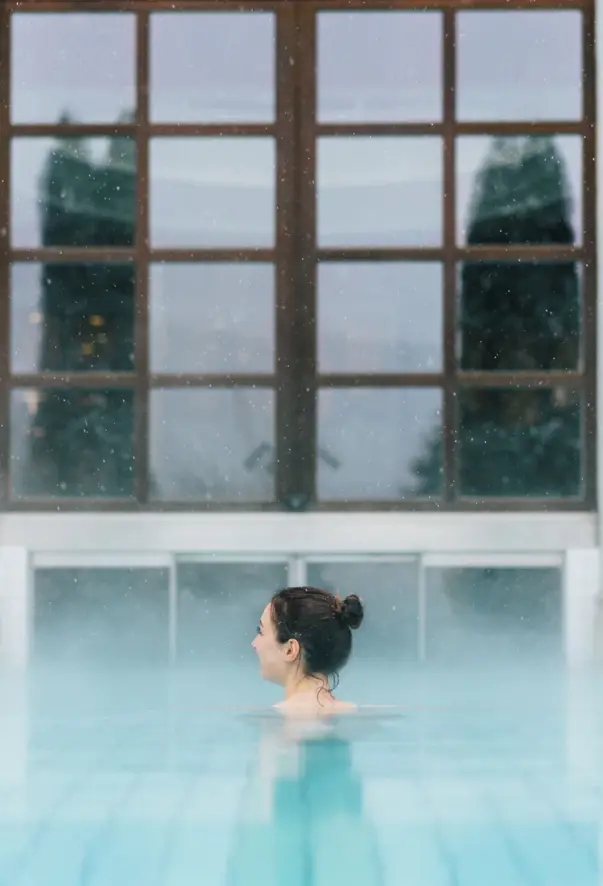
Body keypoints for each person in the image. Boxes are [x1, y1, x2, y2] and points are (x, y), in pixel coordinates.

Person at [252, 586, 364, 717]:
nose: (254, 643)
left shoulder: (276, 720)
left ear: (290, 650)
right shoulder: (353, 712)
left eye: (260, 631)